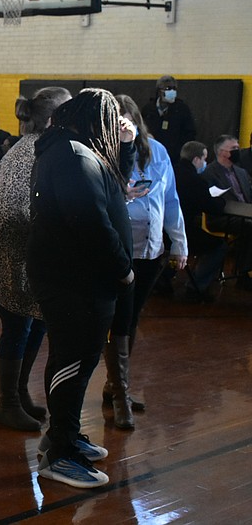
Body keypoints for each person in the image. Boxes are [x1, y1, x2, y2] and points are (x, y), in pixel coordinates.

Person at [27, 88, 136, 489]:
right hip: (74, 283)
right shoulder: (73, 155)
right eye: (111, 121)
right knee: (72, 363)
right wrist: (123, 270)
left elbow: (104, 198)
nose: (114, 128)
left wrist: (126, 146)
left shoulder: (74, 150)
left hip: (77, 281)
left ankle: (65, 436)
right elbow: (90, 223)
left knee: (78, 360)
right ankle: (60, 453)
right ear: (95, 119)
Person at [0, 86, 72, 432]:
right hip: (8, 249)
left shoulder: (32, 146)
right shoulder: (36, 150)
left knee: (36, 322)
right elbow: (27, 208)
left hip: (21, 246)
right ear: (56, 118)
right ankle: (7, 404)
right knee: (17, 327)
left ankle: (18, 393)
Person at [102, 94, 188, 430]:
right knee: (119, 319)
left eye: (128, 120)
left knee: (131, 318)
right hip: (118, 250)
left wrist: (179, 243)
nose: (125, 127)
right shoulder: (104, 152)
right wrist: (123, 193)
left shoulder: (158, 151)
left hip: (150, 250)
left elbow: (171, 199)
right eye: (117, 121)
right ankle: (120, 393)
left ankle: (114, 385)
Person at [173, 141, 227, 300]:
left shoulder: (171, 171)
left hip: (161, 233)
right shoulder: (196, 181)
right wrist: (221, 201)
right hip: (183, 233)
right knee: (219, 246)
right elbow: (213, 208)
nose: (205, 163)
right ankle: (197, 285)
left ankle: (163, 279)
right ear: (196, 159)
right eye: (204, 159)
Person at [201, 134, 252, 289]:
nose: (238, 151)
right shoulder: (210, 172)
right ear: (223, 152)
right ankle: (245, 274)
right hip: (222, 217)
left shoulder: (241, 172)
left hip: (244, 214)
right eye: (234, 148)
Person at [141, 75, 197, 165]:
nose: (172, 91)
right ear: (159, 90)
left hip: (174, 158)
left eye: (174, 88)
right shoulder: (148, 109)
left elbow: (190, 133)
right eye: (168, 88)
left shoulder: (182, 109)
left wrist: (180, 152)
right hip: (153, 155)